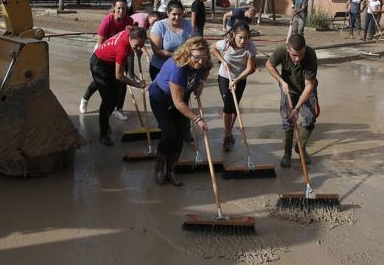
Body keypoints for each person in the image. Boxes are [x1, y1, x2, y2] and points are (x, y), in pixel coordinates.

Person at [148, 37, 211, 186]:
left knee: (180, 134)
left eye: (204, 57)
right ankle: (159, 169)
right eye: (196, 57)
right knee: (169, 134)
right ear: (188, 54)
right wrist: (197, 119)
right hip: (161, 98)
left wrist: (201, 83)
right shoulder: (178, 67)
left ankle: (171, 170)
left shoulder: (204, 62)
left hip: (182, 95)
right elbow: (178, 102)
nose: (200, 61)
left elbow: (207, 69)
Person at [265, 34, 319, 168]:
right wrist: (281, 81)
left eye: (301, 54)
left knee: (310, 118)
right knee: (287, 120)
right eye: (294, 55)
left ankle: (300, 148)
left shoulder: (310, 55)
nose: (298, 58)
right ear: (288, 49)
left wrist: (296, 108)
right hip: (288, 88)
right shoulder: (281, 51)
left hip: (306, 89)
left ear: (305, 49)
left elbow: (309, 85)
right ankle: (287, 154)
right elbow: (269, 65)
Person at [90, 27, 148, 146]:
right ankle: (103, 134)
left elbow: (131, 31)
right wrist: (137, 84)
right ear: (130, 38)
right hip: (99, 64)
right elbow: (120, 76)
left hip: (110, 62)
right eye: (136, 45)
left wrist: (137, 49)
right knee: (108, 100)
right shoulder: (123, 49)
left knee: (115, 99)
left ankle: (105, 121)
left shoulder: (130, 33)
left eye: (141, 46)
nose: (138, 48)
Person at [79, 0, 134, 116]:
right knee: (101, 82)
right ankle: (85, 99)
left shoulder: (129, 21)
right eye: (119, 8)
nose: (121, 11)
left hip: (120, 52)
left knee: (121, 81)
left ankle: (119, 109)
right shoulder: (107, 21)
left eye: (124, 8)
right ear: (114, 8)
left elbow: (131, 39)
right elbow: (100, 44)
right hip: (103, 53)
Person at [211, 22, 258, 151]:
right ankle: (227, 136)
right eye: (240, 38)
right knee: (228, 105)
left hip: (241, 78)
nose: (243, 41)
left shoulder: (251, 48)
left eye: (246, 37)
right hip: (225, 77)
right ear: (233, 35)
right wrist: (223, 61)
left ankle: (229, 131)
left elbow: (249, 69)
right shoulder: (225, 44)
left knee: (235, 107)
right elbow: (213, 48)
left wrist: (237, 80)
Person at [149, 0, 195, 81]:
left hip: (181, 67)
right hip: (160, 68)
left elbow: (191, 45)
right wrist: (177, 55)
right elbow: (157, 50)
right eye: (174, 14)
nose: (177, 17)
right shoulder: (159, 26)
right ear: (168, 13)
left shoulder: (187, 24)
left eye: (180, 14)